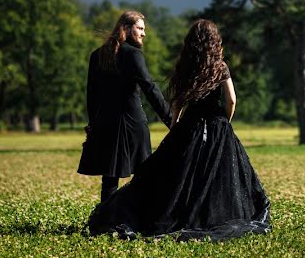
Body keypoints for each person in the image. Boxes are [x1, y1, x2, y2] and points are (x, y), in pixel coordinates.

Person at [86, 19, 271, 241]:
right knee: (218, 175)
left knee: (179, 174)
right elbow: (231, 99)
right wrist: (225, 121)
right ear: (215, 42)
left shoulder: (185, 66)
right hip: (217, 126)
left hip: (190, 125)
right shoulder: (220, 66)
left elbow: (178, 103)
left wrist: (175, 125)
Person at [77, 10, 173, 202]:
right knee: (143, 174)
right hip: (132, 123)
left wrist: (93, 124)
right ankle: (137, 220)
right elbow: (150, 88)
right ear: (127, 29)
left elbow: (92, 96)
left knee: (110, 178)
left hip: (106, 124)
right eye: (140, 28)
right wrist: (171, 119)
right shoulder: (132, 54)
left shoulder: (97, 55)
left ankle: (103, 221)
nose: (143, 33)